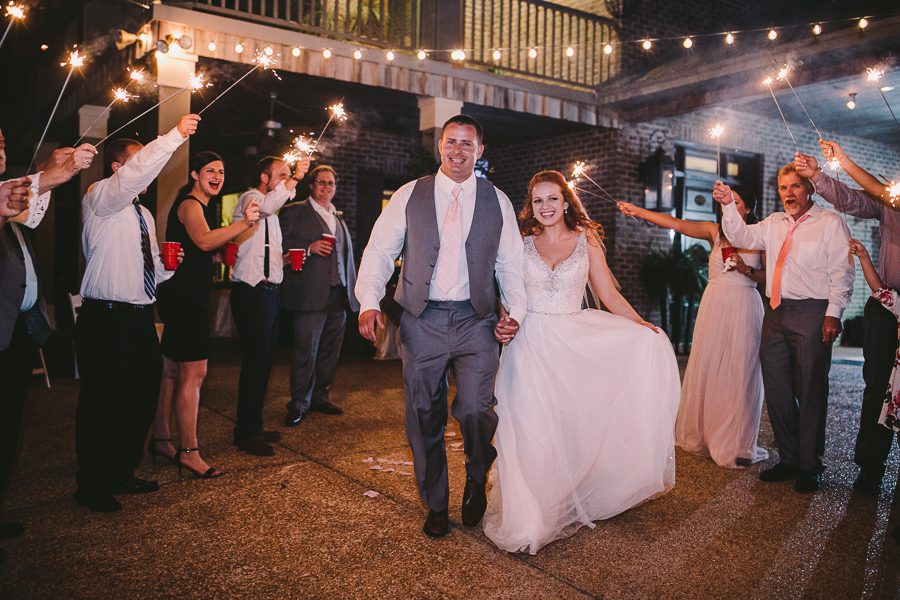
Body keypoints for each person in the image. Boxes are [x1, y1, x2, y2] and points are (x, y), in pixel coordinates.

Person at [482, 170, 679, 554]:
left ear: (566, 202)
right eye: (538, 200)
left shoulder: (586, 240)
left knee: (567, 426)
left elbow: (607, 293)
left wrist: (640, 325)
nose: (545, 207)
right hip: (527, 344)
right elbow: (508, 294)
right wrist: (505, 318)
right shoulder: (520, 244)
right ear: (530, 206)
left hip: (572, 344)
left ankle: (561, 499)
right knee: (529, 427)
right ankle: (528, 519)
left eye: (552, 199)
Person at [356, 115, 527, 539]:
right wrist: (368, 301)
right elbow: (380, 250)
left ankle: (476, 472)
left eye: (467, 144)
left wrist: (515, 312)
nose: (458, 150)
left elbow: (510, 264)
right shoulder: (409, 194)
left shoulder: (497, 201)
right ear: (441, 146)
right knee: (423, 412)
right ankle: (435, 502)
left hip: (477, 319)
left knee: (476, 409)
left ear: (479, 151)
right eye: (451, 141)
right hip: (422, 319)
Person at [75, 115, 198, 512]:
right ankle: (91, 484)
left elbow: (147, 268)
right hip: (106, 317)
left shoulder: (142, 214)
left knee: (140, 396)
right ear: (117, 167)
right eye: (137, 160)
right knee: (102, 400)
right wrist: (174, 136)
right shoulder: (100, 196)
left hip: (141, 315)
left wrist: (167, 267)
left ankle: (120, 471)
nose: (146, 168)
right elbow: (135, 174)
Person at [713, 164, 855, 493]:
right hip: (776, 312)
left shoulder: (830, 223)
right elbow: (741, 236)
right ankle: (789, 458)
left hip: (812, 312)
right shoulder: (774, 222)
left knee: (810, 390)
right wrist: (728, 205)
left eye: (795, 186)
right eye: (783, 188)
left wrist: (833, 314)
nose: (788, 194)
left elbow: (842, 272)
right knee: (777, 390)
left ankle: (810, 464)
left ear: (810, 188)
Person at [618, 191, 768, 468]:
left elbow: (767, 277)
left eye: (736, 202)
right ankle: (706, 434)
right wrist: (638, 211)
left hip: (745, 305)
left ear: (748, 209)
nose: (728, 206)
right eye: (725, 202)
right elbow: (676, 224)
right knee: (710, 367)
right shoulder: (715, 232)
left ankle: (735, 440)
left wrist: (746, 269)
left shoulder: (760, 235)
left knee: (739, 370)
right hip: (715, 304)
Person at [0, 142, 96, 552]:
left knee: (8, 427)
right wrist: (58, 171)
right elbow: (34, 186)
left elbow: (32, 202)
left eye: (2, 143)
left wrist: (54, 171)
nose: (1, 148)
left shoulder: (12, 205)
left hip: (17, 333)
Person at [794, 144, 899, 495]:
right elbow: (851, 199)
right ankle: (870, 468)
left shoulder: (890, 196)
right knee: (877, 386)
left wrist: (841, 160)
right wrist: (817, 176)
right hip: (885, 303)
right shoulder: (887, 199)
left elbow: (879, 190)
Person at [151, 151, 260, 478]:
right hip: (186, 299)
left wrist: (214, 257)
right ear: (195, 175)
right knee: (194, 373)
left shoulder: (202, 206)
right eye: (210, 171)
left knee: (170, 370)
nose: (217, 177)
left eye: (221, 172)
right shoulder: (191, 204)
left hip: (181, 294)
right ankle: (189, 452)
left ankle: (161, 440)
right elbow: (201, 239)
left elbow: (199, 248)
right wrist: (243, 223)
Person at [230, 155, 310, 456]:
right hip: (252, 293)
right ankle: (245, 433)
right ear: (265, 178)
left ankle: (254, 425)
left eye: (288, 175)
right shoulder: (251, 199)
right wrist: (296, 179)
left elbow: (265, 252)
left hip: (270, 292)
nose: (286, 179)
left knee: (264, 363)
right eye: (282, 175)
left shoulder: (272, 215)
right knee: (255, 363)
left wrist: (284, 260)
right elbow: (264, 207)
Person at [280, 165, 359, 426]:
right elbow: (280, 246)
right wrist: (308, 247)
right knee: (306, 351)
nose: (326, 187)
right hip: (308, 294)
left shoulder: (337, 216)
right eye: (322, 182)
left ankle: (320, 397)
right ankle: (298, 403)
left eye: (331, 183)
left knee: (330, 351)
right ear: (312, 185)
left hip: (338, 293)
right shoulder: (294, 211)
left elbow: (346, 256)